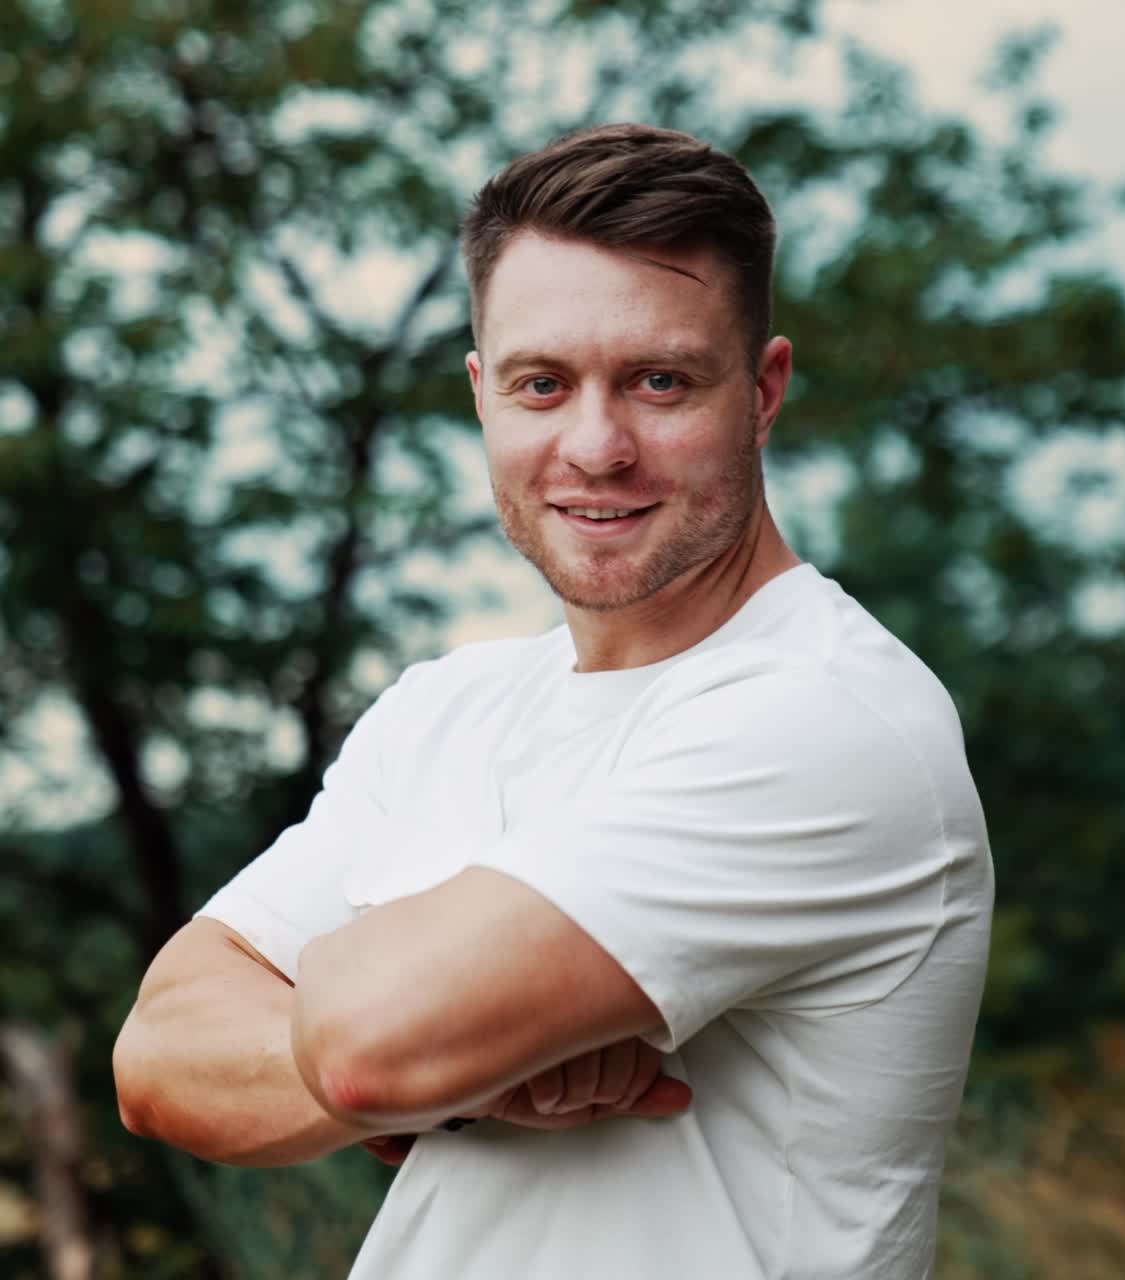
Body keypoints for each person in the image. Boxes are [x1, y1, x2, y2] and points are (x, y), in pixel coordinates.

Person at [113, 123, 993, 1278]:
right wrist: (469, 1068)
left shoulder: (824, 718)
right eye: (542, 384)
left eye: (658, 380)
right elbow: (158, 1057)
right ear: (483, 395)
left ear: (763, 389)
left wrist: (414, 1043)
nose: (594, 444)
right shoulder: (447, 704)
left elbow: (375, 1047)